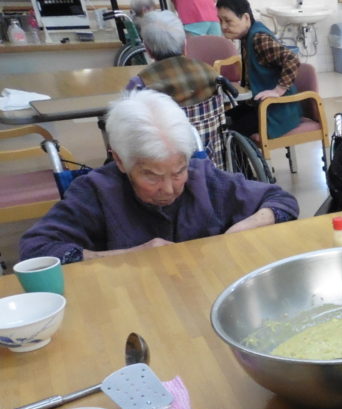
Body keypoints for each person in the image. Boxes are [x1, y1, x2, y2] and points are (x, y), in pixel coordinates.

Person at [20, 90, 298, 263]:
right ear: (119, 160)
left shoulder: (202, 177)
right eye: (151, 176)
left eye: (178, 171)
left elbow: (281, 201)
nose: (169, 188)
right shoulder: (95, 191)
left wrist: (241, 229)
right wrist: (128, 257)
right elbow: (36, 251)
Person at [125, 10, 226, 166]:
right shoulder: (209, 72)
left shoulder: (140, 84)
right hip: (211, 160)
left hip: (166, 169)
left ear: (148, 49)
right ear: (185, 44)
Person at [216, 0, 300, 138]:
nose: (223, 26)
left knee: (229, 132)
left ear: (246, 18)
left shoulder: (258, 38)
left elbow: (292, 59)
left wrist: (278, 90)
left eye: (228, 21)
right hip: (260, 105)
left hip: (275, 110)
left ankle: (238, 158)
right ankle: (237, 159)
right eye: (220, 20)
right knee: (220, 121)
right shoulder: (247, 36)